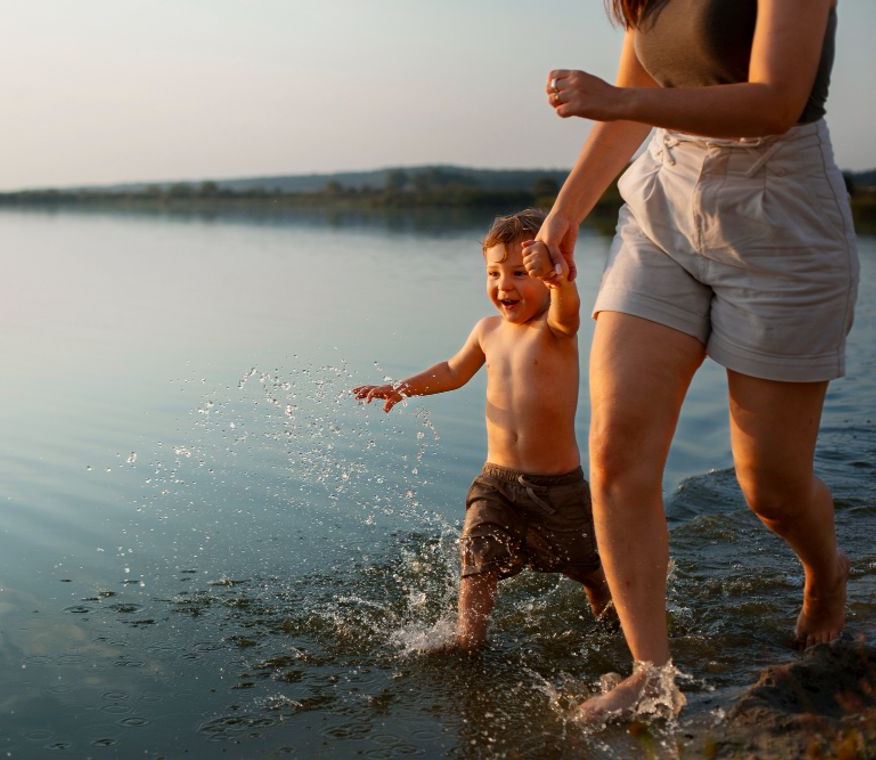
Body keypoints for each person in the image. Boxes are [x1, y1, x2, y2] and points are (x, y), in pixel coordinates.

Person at [535, 0, 856, 721]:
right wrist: (564, 213)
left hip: (782, 214)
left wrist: (622, 98)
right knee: (616, 451)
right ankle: (650, 673)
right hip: (664, 205)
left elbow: (777, 100)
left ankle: (825, 569)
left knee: (770, 489)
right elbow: (629, 117)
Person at [352, 209, 612, 652]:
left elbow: (568, 308)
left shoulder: (554, 328)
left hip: (558, 487)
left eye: (518, 273)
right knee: (477, 556)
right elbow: (453, 371)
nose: (503, 285)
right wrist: (401, 388)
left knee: (589, 566)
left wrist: (560, 281)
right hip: (496, 480)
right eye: (493, 273)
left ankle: (611, 619)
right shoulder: (487, 330)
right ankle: (467, 640)